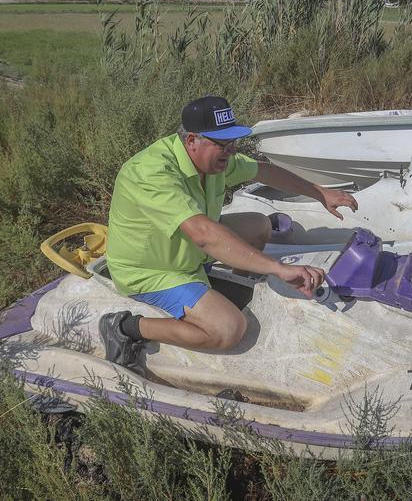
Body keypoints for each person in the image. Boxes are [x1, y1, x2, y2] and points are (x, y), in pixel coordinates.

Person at [99, 96, 358, 368]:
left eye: (234, 142)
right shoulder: (152, 173)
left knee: (259, 225)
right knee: (228, 329)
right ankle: (126, 328)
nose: (232, 151)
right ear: (191, 141)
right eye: (223, 144)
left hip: (185, 251)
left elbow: (263, 171)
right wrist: (276, 268)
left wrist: (319, 193)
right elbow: (203, 234)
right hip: (153, 270)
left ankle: (238, 288)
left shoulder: (211, 160)